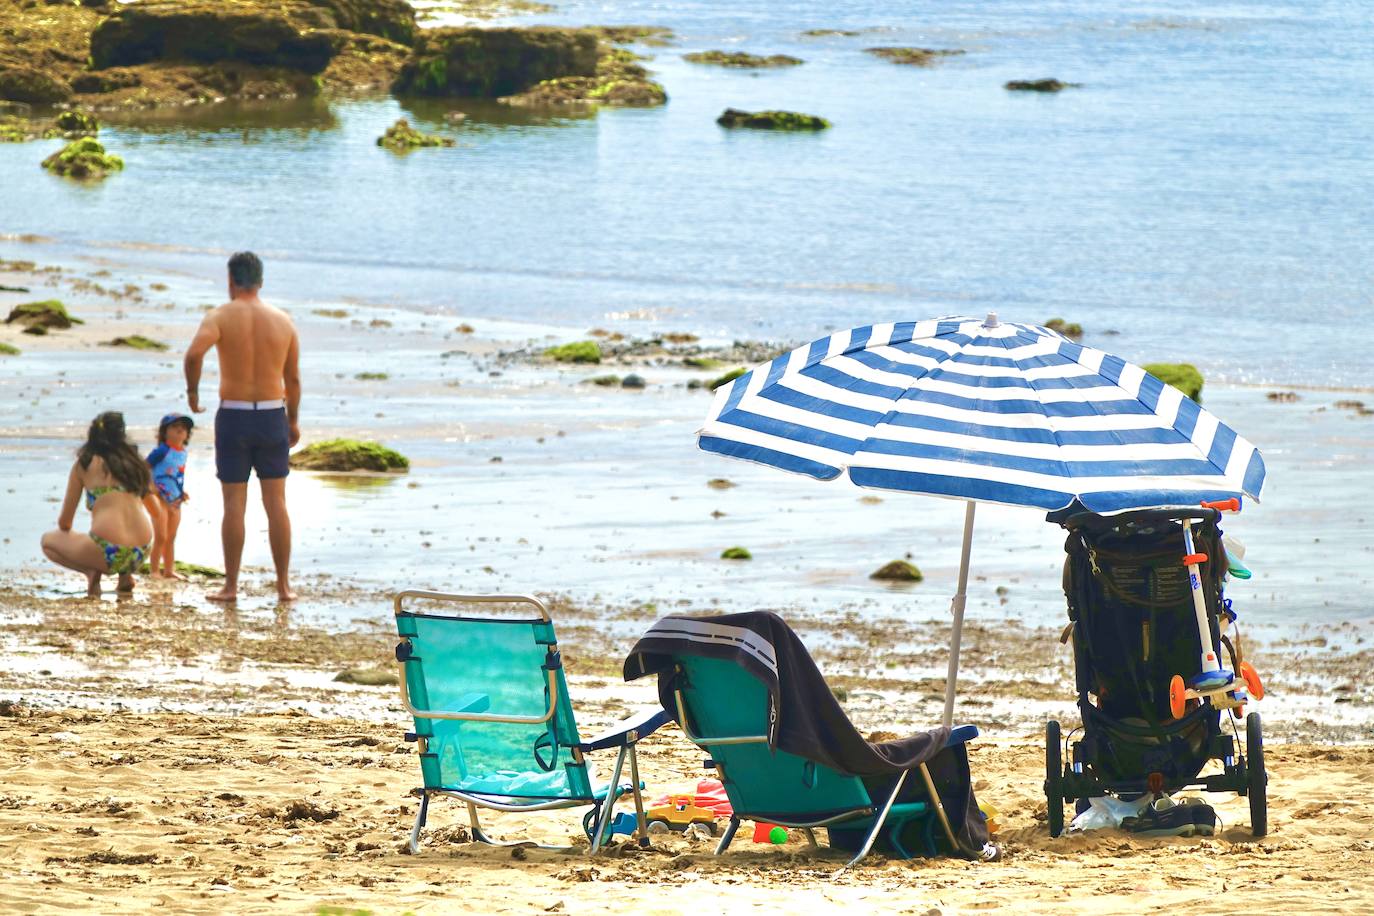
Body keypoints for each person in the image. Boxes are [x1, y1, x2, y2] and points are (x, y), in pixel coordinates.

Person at [183, 251, 301, 603]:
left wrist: (193, 391)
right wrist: (292, 419)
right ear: (261, 281)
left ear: (231, 281)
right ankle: (283, 587)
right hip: (270, 413)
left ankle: (231, 586)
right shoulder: (283, 321)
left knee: (234, 503)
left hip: (234, 414)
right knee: (276, 503)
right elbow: (292, 378)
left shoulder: (220, 316)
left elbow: (193, 355)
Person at [41, 411, 155, 597]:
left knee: (48, 541)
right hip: (141, 550)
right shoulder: (134, 464)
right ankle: (125, 577)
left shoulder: (84, 464)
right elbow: (155, 511)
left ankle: (90, 572)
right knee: (124, 534)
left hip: (107, 550)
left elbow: (65, 523)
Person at [145, 413, 194, 579]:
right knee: (161, 536)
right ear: (165, 432)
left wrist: (182, 492)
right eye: (174, 427)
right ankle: (154, 571)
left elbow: (177, 475)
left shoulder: (183, 453)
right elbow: (144, 468)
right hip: (159, 498)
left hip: (175, 499)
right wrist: (151, 486)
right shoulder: (161, 451)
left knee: (171, 537)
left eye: (183, 428)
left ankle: (168, 570)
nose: (180, 430)